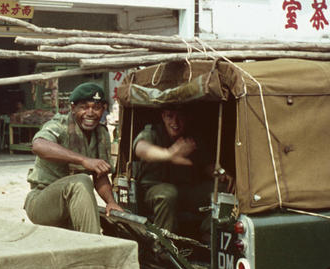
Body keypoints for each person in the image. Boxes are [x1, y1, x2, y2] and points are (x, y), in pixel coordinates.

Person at [24, 82, 124, 234]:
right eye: (84, 107)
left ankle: (92, 244)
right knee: (82, 180)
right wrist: (84, 160)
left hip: (71, 204)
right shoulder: (60, 125)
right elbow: (39, 145)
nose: (90, 113)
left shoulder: (100, 133)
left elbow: (100, 175)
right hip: (41, 202)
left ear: (103, 109)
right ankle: (95, 247)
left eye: (96, 108)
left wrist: (111, 202)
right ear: (73, 108)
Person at [133, 107, 224, 236]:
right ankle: (163, 248)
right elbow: (141, 149)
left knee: (221, 190)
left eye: (180, 117)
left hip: (185, 190)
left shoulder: (190, 137)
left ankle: (208, 237)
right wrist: (169, 154)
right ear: (163, 116)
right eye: (170, 116)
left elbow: (205, 164)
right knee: (168, 193)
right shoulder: (152, 133)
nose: (175, 123)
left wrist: (222, 174)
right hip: (154, 190)